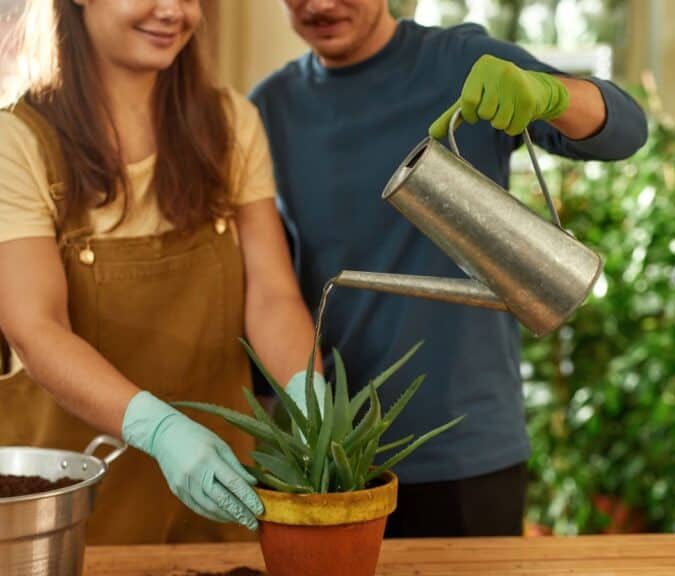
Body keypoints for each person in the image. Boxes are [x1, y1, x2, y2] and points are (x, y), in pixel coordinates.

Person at [250, 0, 648, 537]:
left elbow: (627, 130)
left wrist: (548, 94)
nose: (320, 5)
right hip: (335, 461)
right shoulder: (269, 108)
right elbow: (273, 287)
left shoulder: (461, 61)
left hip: (465, 449)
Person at [0, 0, 324, 544]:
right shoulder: (14, 141)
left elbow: (272, 292)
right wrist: (159, 432)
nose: (174, 12)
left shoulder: (229, 123)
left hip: (220, 494)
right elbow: (36, 328)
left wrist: (308, 392)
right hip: (70, 505)